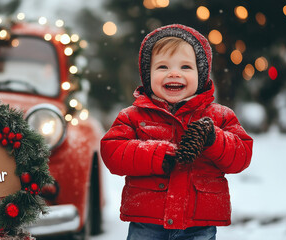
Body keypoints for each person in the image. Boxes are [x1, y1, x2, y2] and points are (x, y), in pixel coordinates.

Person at [100, 24, 253, 240]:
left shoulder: (219, 117)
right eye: (162, 67)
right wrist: (155, 155)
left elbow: (241, 156)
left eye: (185, 67)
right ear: (147, 74)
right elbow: (112, 151)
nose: (174, 73)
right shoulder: (133, 116)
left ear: (201, 75)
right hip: (147, 224)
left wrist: (213, 139)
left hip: (197, 226)